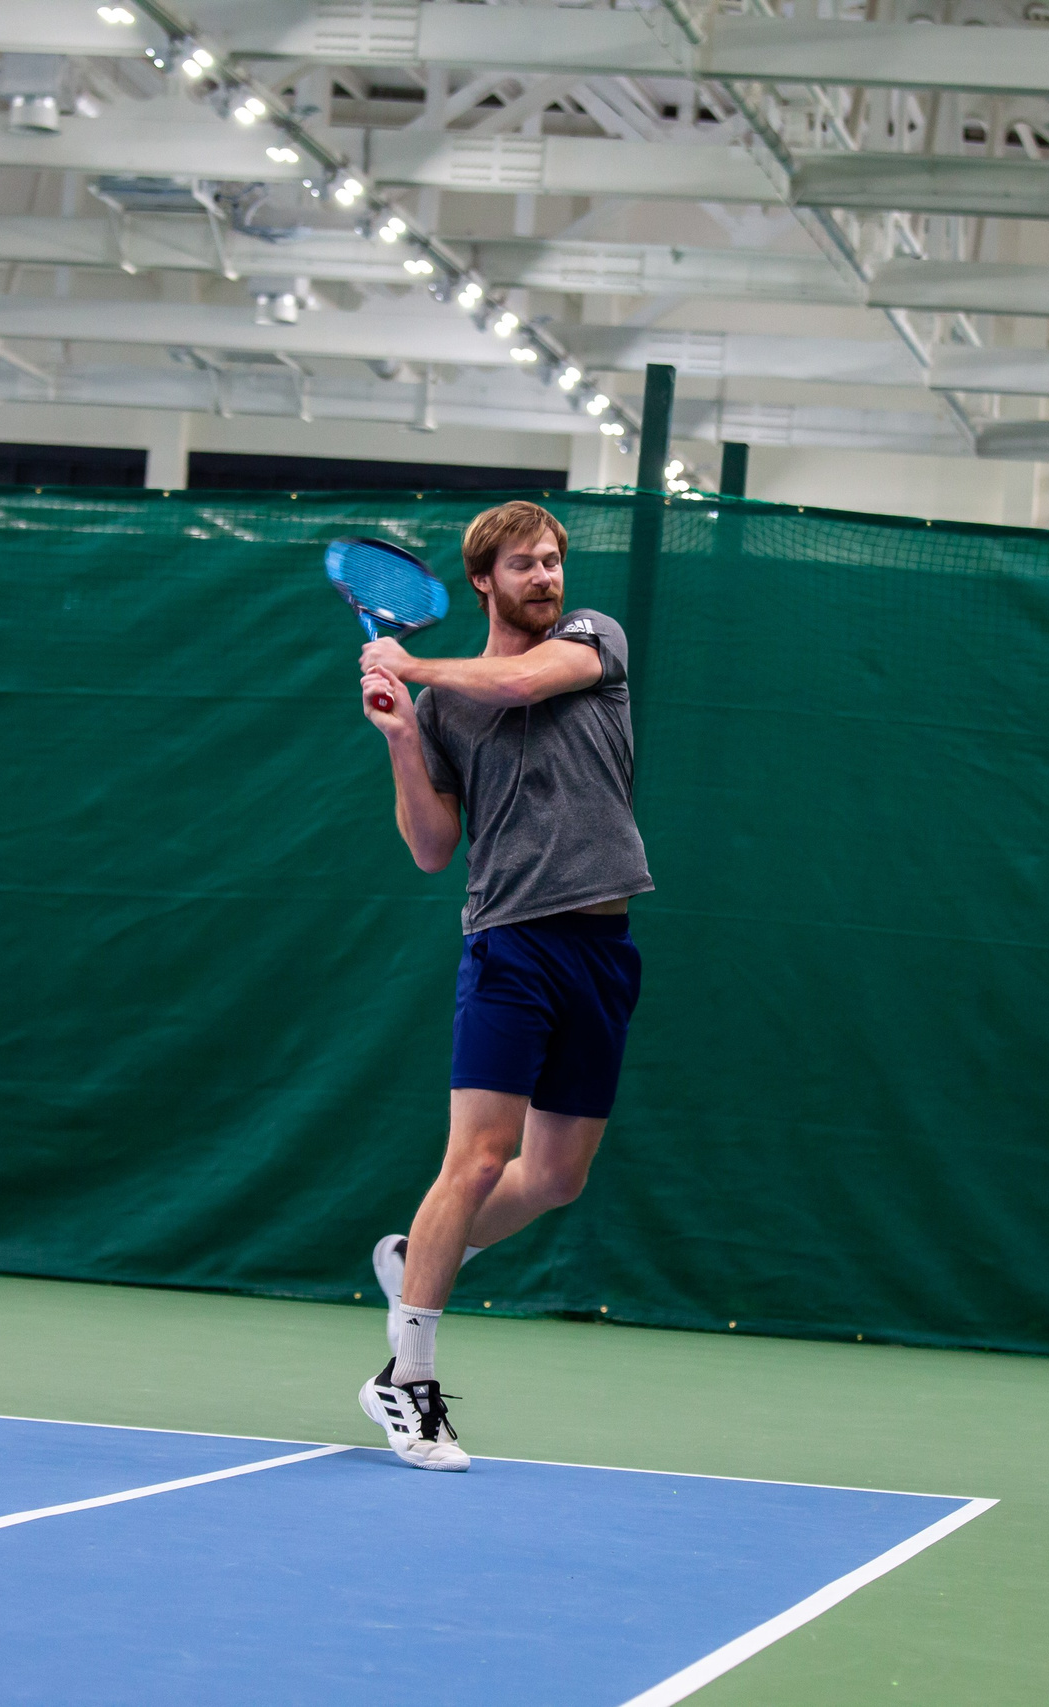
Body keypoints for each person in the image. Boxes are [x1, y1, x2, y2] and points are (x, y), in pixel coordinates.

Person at [352, 500, 652, 1471]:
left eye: (552, 561)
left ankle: (419, 1259)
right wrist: (403, 732)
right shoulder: (444, 707)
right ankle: (408, 1382)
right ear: (482, 580)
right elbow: (434, 847)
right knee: (477, 1159)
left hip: (603, 948)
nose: (545, 577)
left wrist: (413, 663)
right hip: (511, 945)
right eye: (523, 565)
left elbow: (522, 683)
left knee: (556, 1178)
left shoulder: (589, 639)